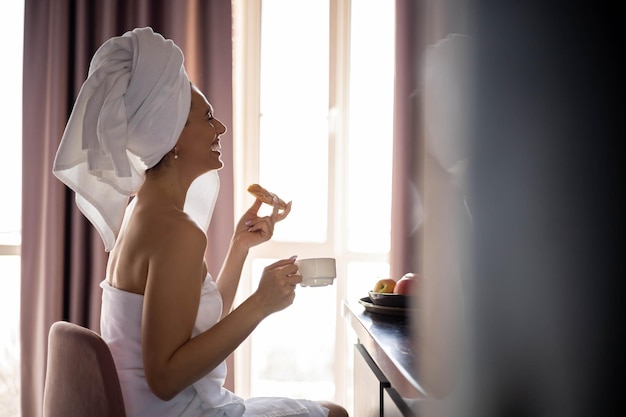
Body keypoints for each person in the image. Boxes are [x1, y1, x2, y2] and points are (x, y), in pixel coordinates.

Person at [53, 27, 348, 417]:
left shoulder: (141, 213)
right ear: (172, 134)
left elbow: (192, 327)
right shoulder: (177, 232)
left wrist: (239, 248)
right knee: (336, 414)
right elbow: (165, 378)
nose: (220, 128)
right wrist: (260, 304)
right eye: (207, 117)